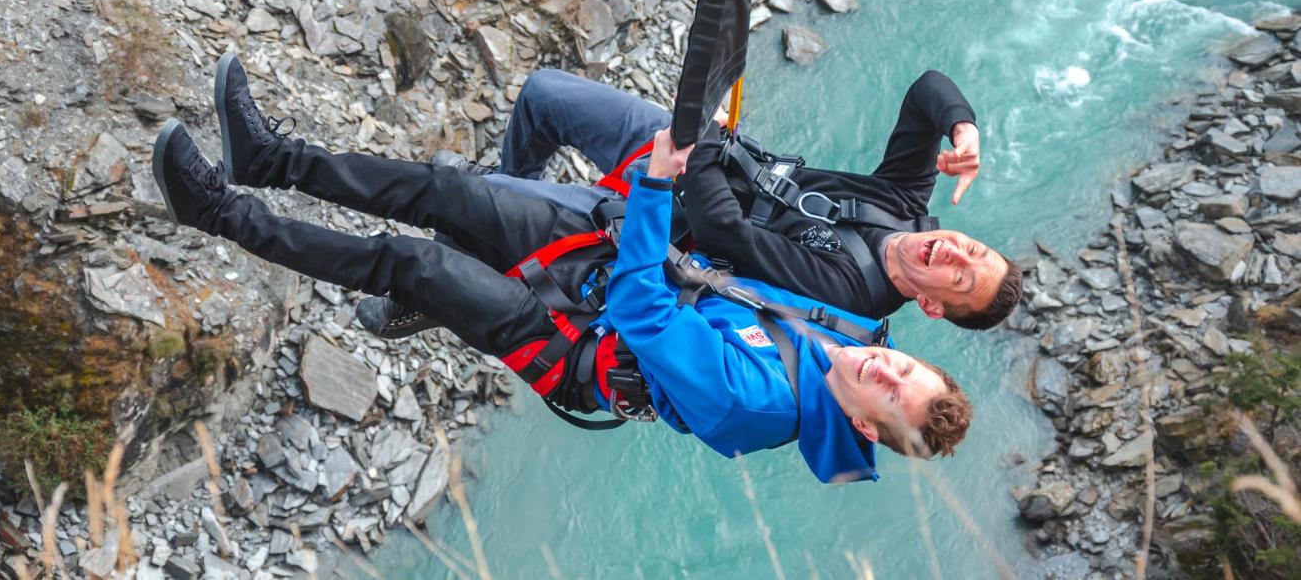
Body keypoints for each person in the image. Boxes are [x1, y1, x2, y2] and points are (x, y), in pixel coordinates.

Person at [150, 53, 973, 481]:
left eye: (891, 392)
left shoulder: (757, 403)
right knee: (446, 190)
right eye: (905, 366)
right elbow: (749, 258)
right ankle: (268, 157)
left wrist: (655, 185)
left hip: (574, 344)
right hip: (617, 257)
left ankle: (219, 211)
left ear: (867, 425)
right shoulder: (851, 327)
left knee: (411, 263)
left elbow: (649, 314)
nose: (885, 368)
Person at [425, 69, 1023, 331]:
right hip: (706, 157)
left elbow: (722, 232)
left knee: (463, 191)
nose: (953, 253)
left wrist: (703, 139)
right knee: (544, 94)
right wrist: (962, 128)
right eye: (971, 249)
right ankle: (491, 220)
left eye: (960, 278)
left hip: (656, 220)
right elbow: (927, 91)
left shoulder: (852, 290)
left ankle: (456, 259)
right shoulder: (902, 202)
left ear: (932, 306)